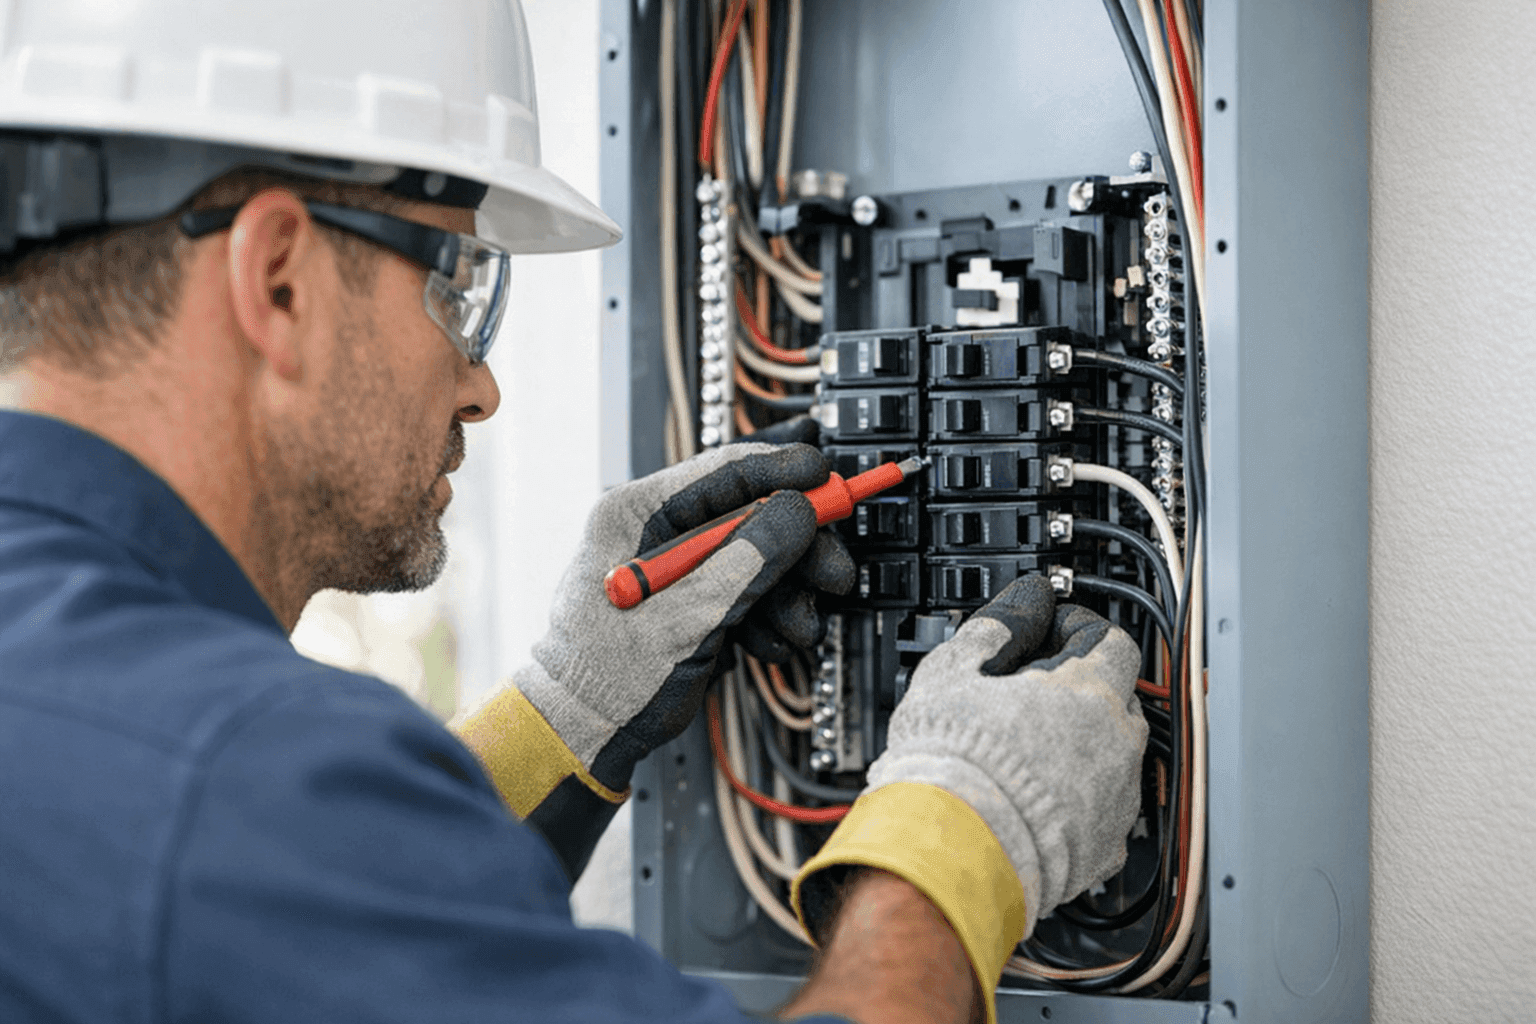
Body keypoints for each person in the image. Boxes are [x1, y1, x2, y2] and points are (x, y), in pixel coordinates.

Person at [0, 3, 1147, 1023]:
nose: (479, 385)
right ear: (279, 281)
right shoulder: (231, 780)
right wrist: (960, 842)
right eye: (457, 285)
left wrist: (559, 714)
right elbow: (264, 859)